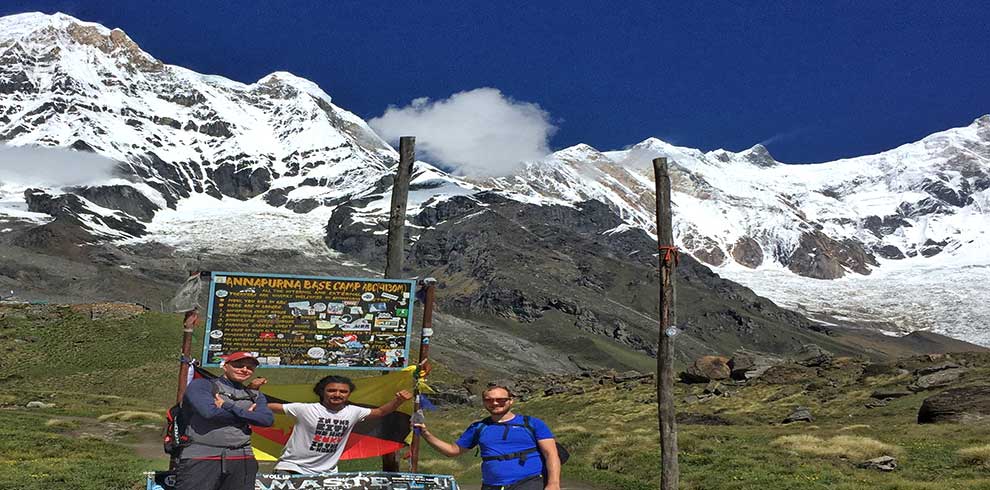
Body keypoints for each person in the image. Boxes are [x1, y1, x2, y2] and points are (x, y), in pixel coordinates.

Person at [415, 385, 561, 490]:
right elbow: (453, 450)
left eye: (501, 399)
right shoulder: (479, 427)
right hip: (491, 485)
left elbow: (551, 454)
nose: (495, 403)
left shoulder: (532, 423)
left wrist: (553, 484)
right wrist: (426, 433)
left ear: (511, 401)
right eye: (489, 400)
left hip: (529, 482)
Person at [268, 374, 413, 474]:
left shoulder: (353, 412)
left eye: (343, 391)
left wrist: (398, 401)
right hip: (292, 468)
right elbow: (271, 407)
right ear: (322, 392)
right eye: (331, 390)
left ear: (349, 394)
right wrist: (251, 399)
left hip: (327, 473)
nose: (337, 394)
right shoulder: (304, 409)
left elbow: (380, 412)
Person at [175, 351, 274, 490]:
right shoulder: (202, 385)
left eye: (249, 367)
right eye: (238, 365)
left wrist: (227, 406)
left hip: (242, 457)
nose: (244, 369)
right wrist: (248, 415)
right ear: (225, 366)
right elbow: (209, 413)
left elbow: (267, 420)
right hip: (202, 456)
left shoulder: (255, 395)